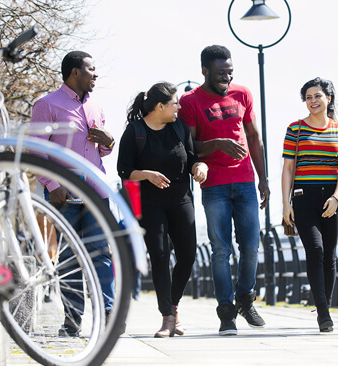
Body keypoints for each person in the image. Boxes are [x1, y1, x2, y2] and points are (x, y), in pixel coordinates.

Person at [178, 45, 269, 336]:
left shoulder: (242, 93)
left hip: (244, 181)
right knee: (220, 250)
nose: (226, 78)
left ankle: (246, 297)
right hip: (213, 184)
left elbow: (254, 136)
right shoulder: (190, 101)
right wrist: (217, 144)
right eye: (220, 73)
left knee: (251, 246)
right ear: (204, 70)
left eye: (229, 72)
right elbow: (188, 146)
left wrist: (263, 178)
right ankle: (226, 312)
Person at [30, 50, 116, 337]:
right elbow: (35, 153)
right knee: (68, 258)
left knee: (101, 253)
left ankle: (108, 314)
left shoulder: (97, 107)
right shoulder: (46, 105)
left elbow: (100, 150)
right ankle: (72, 320)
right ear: (75, 72)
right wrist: (52, 186)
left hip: (96, 192)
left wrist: (108, 141)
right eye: (91, 69)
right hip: (62, 196)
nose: (96, 74)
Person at [117, 82, 208, 338]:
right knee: (159, 256)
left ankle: (173, 306)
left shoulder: (178, 127)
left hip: (181, 199)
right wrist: (146, 174)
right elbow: (123, 170)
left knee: (188, 255)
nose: (179, 107)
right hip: (150, 203)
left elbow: (191, 158)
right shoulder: (134, 131)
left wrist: (200, 168)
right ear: (160, 106)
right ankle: (168, 317)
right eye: (175, 103)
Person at [281, 77, 338, 332]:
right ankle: (323, 312)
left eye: (317, 96)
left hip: (331, 199)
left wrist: (336, 197)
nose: (313, 101)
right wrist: (286, 204)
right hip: (303, 198)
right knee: (316, 250)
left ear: (328, 98)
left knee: (330, 256)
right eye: (308, 97)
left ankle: (325, 306)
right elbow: (288, 168)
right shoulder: (295, 129)